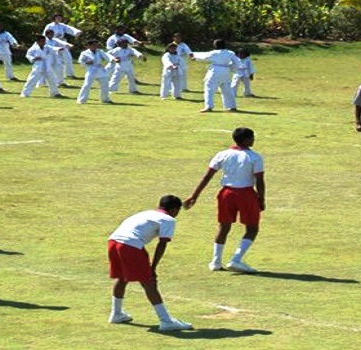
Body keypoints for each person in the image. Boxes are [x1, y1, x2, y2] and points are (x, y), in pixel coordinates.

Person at [106, 195, 194, 331]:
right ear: (174, 209)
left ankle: (116, 314)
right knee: (149, 282)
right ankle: (166, 321)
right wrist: (153, 268)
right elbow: (162, 244)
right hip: (130, 245)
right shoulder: (169, 219)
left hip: (113, 242)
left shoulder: (146, 213)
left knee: (122, 277)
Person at [184, 127, 265, 273]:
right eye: (252, 137)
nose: (254, 140)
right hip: (246, 194)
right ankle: (236, 259)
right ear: (246, 140)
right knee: (252, 228)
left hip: (226, 194)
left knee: (223, 227)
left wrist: (194, 195)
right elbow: (259, 180)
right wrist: (261, 199)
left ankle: (215, 262)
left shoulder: (222, 154)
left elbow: (207, 176)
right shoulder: (254, 157)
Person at [189, 39, 240, 113]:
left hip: (215, 71)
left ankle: (209, 107)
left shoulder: (214, 53)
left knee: (209, 88)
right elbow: (237, 62)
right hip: (226, 71)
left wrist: (194, 55)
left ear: (215, 45)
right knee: (227, 89)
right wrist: (232, 69)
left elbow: (204, 56)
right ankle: (232, 106)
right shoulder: (230, 53)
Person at [42, 13, 82, 79]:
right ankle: (51, 75)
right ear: (54, 18)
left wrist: (76, 32)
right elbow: (45, 35)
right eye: (58, 17)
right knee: (55, 60)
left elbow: (69, 29)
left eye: (60, 18)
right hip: (52, 43)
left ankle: (70, 74)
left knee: (68, 57)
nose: (59, 19)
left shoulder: (62, 25)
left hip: (61, 42)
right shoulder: (49, 25)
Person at [76, 40, 114, 104]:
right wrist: (87, 63)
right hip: (91, 70)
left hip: (100, 69)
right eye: (94, 45)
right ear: (89, 46)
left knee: (105, 84)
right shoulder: (84, 53)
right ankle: (81, 100)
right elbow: (80, 62)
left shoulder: (100, 51)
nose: (95, 46)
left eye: (96, 45)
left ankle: (105, 99)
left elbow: (107, 56)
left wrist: (113, 59)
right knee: (87, 85)